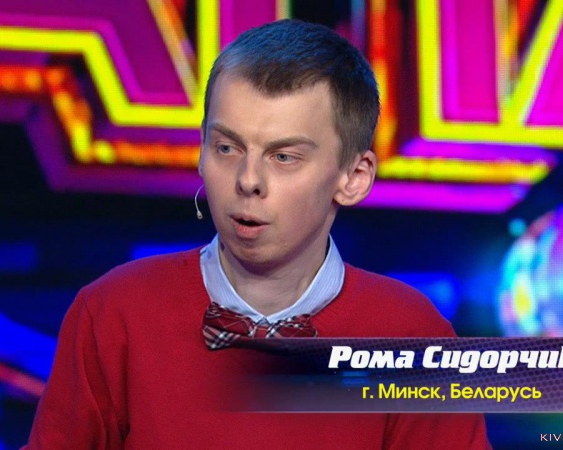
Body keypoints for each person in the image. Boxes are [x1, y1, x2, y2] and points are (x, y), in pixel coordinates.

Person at [24, 19, 490, 449]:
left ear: (353, 177)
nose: (248, 180)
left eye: (283, 157)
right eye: (227, 148)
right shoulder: (113, 313)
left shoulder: (413, 336)